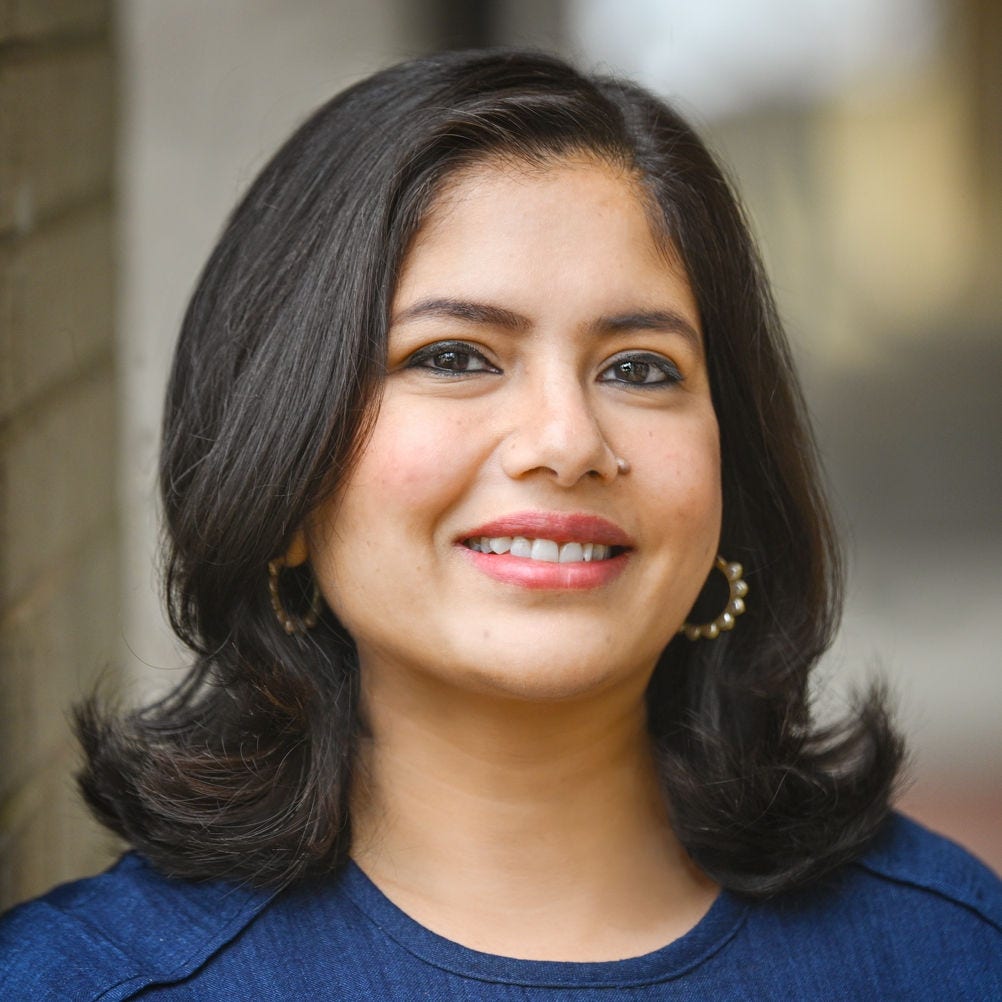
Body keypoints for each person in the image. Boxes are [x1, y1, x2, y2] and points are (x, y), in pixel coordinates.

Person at [1, 48, 998, 1000]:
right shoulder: (95, 986)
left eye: (640, 368)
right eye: (454, 356)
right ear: (285, 474)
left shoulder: (945, 955)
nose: (567, 441)